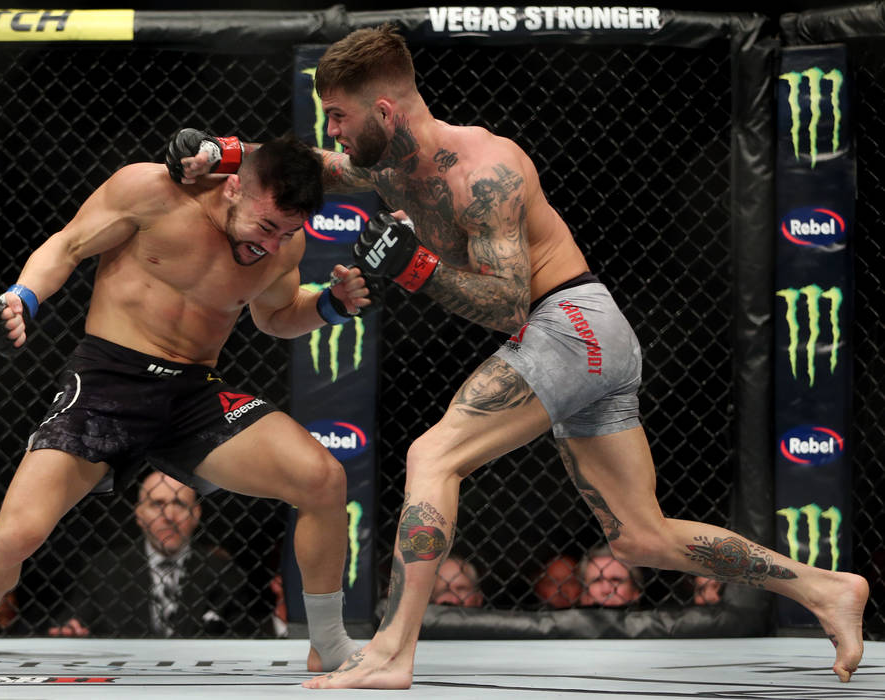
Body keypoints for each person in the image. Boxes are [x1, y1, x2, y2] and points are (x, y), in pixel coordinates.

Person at [165, 26, 869, 688]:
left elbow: (507, 304)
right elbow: (314, 166)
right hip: (584, 337)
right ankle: (827, 588)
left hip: (569, 323)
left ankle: (391, 650)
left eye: (342, 116)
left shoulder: (484, 170)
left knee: (433, 456)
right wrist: (223, 154)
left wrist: (416, 270)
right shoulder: (387, 168)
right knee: (639, 537)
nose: (336, 131)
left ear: (384, 107)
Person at [0, 134, 368, 677]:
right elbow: (68, 245)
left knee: (322, 478)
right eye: (267, 227)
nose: (272, 245)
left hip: (194, 392)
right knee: (18, 534)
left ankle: (329, 642)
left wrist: (331, 307)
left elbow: (275, 315)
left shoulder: (283, 246)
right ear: (233, 187)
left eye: (287, 234)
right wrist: (22, 297)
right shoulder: (150, 191)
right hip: (108, 382)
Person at [48, 471, 248, 637]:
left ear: (195, 514)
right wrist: (71, 629)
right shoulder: (103, 569)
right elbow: (75, 618)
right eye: (157, 504)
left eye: (179, 504)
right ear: (140, 514)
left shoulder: (224, 573)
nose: (168, 516)